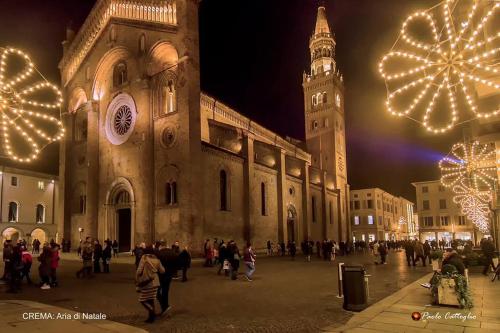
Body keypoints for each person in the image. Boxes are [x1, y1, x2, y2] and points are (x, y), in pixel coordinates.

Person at [136, 246, 165, 323]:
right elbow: (162, 271)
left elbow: (139, 271)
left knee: (142, 300)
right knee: (151, 300)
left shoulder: (144, 258)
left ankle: (152, 312)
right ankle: (151, 318)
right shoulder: (157, 260)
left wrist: (137, 279)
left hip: (147, 282)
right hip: (155, 282)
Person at [155, 241, 176, 316]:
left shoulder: (158, 253)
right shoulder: (172, 252)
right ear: (166, 245)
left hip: (160, 275)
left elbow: (156, 265)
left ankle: (165, 307)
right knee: (165, 292)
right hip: (169, 275)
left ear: (161, 246)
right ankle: (165, 308)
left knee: (156, 292)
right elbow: (176, 264)